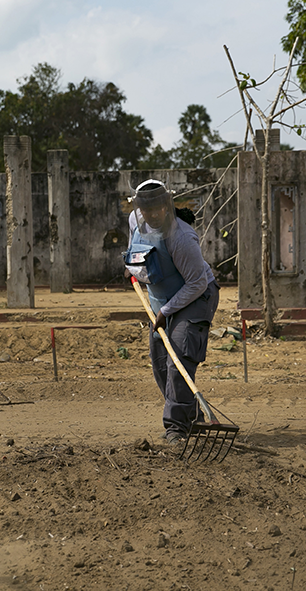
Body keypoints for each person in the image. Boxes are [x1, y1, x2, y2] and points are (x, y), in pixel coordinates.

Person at [124, 179, 219, 444]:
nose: (152, 215)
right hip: (161, 302)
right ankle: (192, 417)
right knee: (161, 366)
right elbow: (140, 251)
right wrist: (132, 268)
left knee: (178, 358)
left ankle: (176, 428)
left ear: (168, 205)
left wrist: (166, 311)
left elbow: (198, 283)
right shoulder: (135, 220)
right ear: (139, 209)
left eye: (158, 209)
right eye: (147, 210)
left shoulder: (181, 236)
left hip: (196, 297)